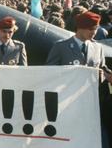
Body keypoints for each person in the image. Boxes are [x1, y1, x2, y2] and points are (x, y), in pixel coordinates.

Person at [46, 11, 112, 148]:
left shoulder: (97, 47)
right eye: (91, 29)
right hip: (68, 104)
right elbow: (49, 72)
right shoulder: (61, 47)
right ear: (80, 28)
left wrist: (107, 74)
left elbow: (102, 67)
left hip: (92, 103)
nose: (94, 32)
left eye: (96, 29)